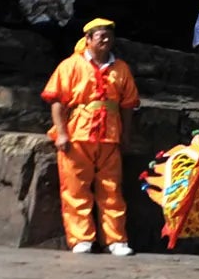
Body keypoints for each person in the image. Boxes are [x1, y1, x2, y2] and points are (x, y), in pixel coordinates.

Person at [45, 17, 138, 255]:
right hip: (78, 133)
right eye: (101, 36)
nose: (106, 40)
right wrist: (62, 133)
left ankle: (116, 239)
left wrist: (126, 135)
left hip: (110, 135)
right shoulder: (70, 65)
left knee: (112, 189)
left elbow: (128, 105)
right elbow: (56, 100)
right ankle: (81, 238)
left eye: (109, 36)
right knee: (75, 188)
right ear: (88, 39)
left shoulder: (122, 68)